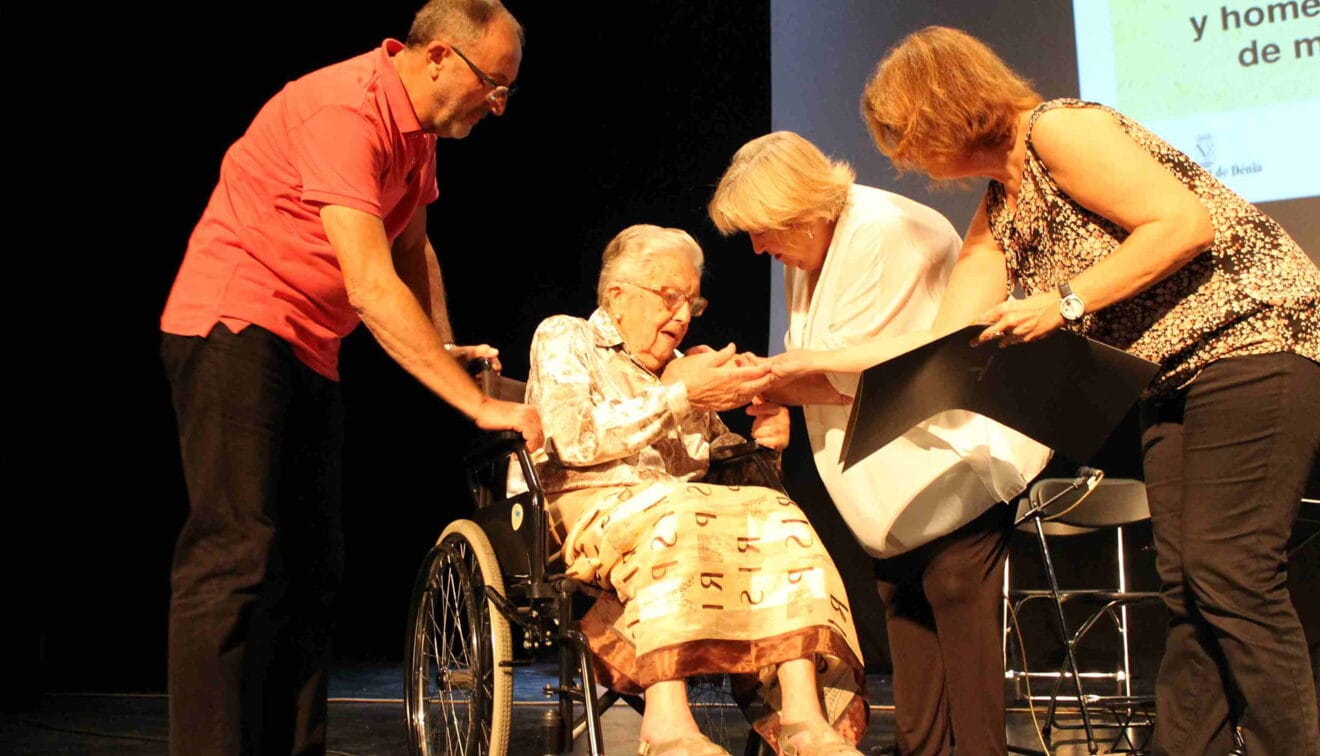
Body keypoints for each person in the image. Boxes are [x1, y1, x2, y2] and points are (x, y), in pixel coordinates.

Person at [843, 26, 1320, 755]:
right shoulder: (1002, 205)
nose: (906, 159)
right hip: (1171, 376)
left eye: (903, 136)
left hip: (1254, 342)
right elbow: (940, 336)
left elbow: (1181, 224)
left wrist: (1065, 302)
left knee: (1234, 573)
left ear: (939, 105)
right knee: (1190, 585)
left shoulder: (1060, 128)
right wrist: (802, 370)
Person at [158, 2, 542, 754]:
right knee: (235, 556)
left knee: (311, 571)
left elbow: (411, 248)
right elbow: (368, 284)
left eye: (507, 92)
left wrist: (443, 342)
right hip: (235, 323)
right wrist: (473, 404)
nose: (497, 107)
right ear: (437, 57)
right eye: (492, 86)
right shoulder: (347, 111)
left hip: (307, 346)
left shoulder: (417, 135)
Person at [709, 131, 1052, 755]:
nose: (758, 248)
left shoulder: (882, 230)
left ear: (803, 209)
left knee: (955, 605)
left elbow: (870, 377)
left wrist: (766, 379)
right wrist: (773, 386)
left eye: (764, 230)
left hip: (949, 465)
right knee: (908, 619)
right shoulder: (813, 249)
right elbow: (824, 369)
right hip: (889, 487)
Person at [525, 224, 869, 756]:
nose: (683, 316)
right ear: (616, 296)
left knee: (776, 511)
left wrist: (766, 442)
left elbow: (730, 477)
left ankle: (802, 717)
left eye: (692, 301)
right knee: (677, 512)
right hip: (588, 509)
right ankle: (666, 725)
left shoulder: (684, 370)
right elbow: (572, 438)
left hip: (679, 514)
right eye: (669, 297)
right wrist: (679, 396)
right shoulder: (568, 337)